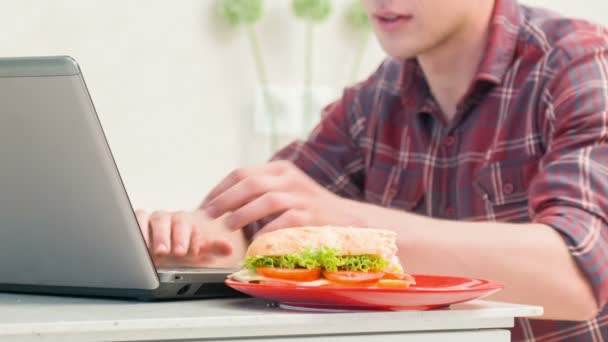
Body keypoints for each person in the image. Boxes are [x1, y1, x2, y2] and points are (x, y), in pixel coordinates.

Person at [136, 0, 608, 340]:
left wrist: (346, 223)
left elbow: (579, 276)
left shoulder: (578, 63)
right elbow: (249, 230)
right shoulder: (375, 99)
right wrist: (172, 239)